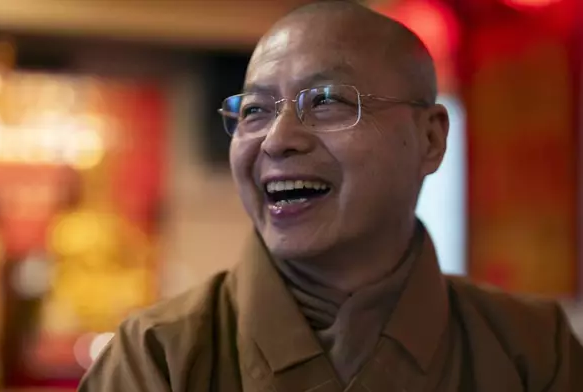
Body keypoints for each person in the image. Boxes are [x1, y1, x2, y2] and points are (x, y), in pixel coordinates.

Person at [78, 1, 583, 391]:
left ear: (430, 139)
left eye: (325, 101)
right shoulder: (157, 356)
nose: (277, 139)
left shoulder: (533, 350)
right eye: (254, 110)